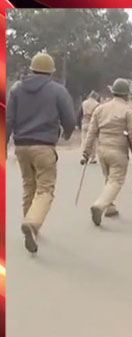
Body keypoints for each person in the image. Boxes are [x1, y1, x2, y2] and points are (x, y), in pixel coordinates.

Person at [5, 53, 76, 253]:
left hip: (21, 146)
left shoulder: (17, 89)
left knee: (29, 186)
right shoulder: (58, 91)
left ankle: (31, 225)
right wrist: (68, 133)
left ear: (31, 69)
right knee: (45, 189)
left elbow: (8, 119)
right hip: (44, 146)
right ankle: (32, 223)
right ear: (51, 71)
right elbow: (69, 118)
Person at [82, 78, 132, 226]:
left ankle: (110, 206)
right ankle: (100, 205)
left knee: (109, 179)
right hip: (118, 152)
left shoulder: (100, 109)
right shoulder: (129, 111)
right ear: (126, 95)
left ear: (113, 92)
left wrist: (86, 150)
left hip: (102, 150)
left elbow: (92, 132)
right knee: (116, 181)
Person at [77, 90, 100, 164]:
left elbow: (79, 114)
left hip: (84, 122)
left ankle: (83, 156)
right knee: (93, 141)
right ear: (96, 97)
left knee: (84, 140)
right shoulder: (97, 104)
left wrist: (78, 124)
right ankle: (92, 158)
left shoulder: (84, 103)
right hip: (93, 123)